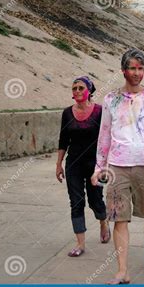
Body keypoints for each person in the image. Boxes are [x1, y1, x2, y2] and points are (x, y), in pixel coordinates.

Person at [91, 49, 144, 284]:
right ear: (123, 70)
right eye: (132, 68)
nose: (137, 73)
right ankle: (122, 270)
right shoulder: (110, 100)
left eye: (140, 68)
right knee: (119, 218)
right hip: (117, 167)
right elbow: (104, 135)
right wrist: (98, 167)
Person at [56, 76, 110, 257]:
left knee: (96, 200)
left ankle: (103, 221)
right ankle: (80, 243)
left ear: (89, 90)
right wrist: (59, 164)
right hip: (74, 164)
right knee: (76, 201)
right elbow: (63, 140)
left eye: (80, 88)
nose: (77, 91)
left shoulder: (100, 111)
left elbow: (107, 138)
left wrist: (106, 164)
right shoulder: (67, 113)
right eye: (74, 89)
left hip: (95, 164)